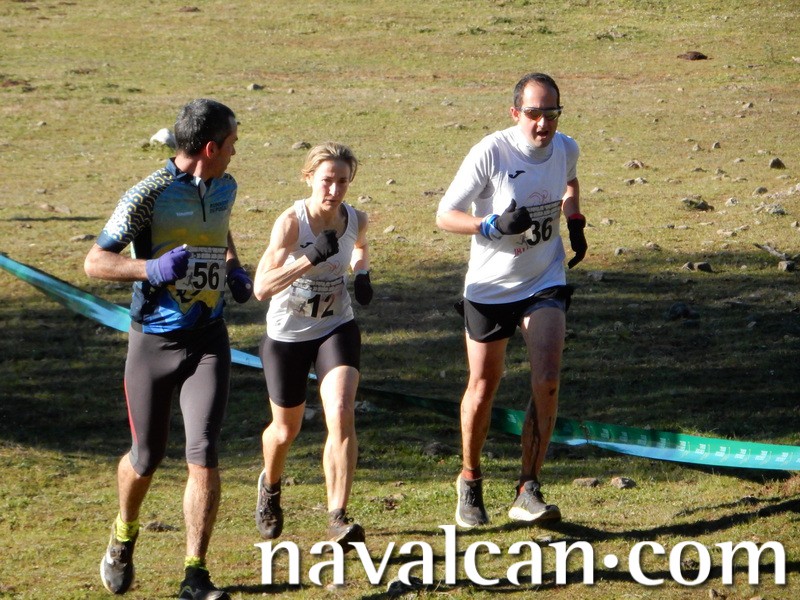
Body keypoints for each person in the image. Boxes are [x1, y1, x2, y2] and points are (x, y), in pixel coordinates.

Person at [84, 99, 252, 599]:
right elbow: (95, 262)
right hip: (154, 343)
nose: (235, 152)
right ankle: (123, 534)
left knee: (203, 452)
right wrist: (150, 269)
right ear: (210, 147)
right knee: (147, 456)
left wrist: (234, 267)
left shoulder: (225, 186)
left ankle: (195, 574)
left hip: (208, 338)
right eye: (232, 143)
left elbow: (219, 229)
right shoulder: (148, 193)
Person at [436, 72, 587, 528]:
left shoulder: (566, 147)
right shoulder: (492, 152)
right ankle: (470, 479)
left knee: (548, 380)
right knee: (483, 387)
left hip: (544, 278)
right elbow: (445, 215)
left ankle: (528, 487)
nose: (543, 124)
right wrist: (490, 225)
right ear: (515, 112)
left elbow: (570, 181)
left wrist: (574, 219)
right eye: (534, 114)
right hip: (490, 288)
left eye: (552, 114)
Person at [252, 141, 372, 552]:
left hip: (335, 327)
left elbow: (359, 245)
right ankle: (270, 485)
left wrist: (362, 273)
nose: (334, 190)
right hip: (287, 336)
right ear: (308, 178)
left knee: (340, 411)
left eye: (342, 182)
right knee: (286, 429)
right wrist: (307, 260)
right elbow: (260, 288)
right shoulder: (292, 223)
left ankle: (337, 516)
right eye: (326, 181)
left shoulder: (355, 218)